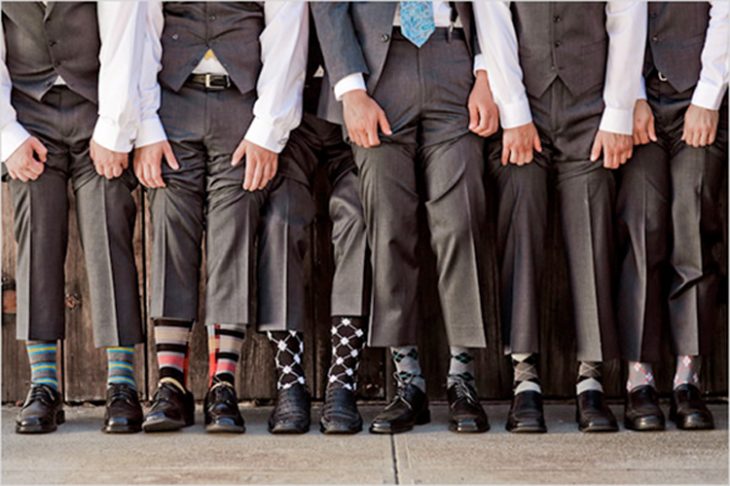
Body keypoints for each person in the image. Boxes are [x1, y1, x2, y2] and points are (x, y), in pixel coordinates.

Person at [312, 1, 499, 434]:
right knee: (389, 224)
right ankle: (408, 381)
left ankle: (462, 379)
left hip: (454, 56)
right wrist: (350, 90)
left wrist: (487, 74)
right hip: (377, 70)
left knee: (460, 220)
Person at [133, 1, 308, 433]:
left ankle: (222, 381)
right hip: (173, 105)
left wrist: (268, 130)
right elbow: (140, 33)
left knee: (234, 233)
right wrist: (145, 126)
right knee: (171, 225)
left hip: (241, 107)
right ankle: (171, 381)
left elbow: (287, 36)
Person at [474, 1, 646, 433]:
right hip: (523, 103)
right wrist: (513, 112)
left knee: (593, 232)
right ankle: (523, 378)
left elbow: (626, 18)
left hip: (591, 108)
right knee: (521, 227)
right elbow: (493, 20)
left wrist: (617, 113)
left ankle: (591, 380)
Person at [1, 1, 146, 434]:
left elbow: (124, 40)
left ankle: (122, 381)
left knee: (109, 231)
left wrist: (115, 128)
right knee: (37, 237)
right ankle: (43, 383)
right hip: (28, 114)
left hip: (97, 107)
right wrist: (8, 137)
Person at [256, 17, 371, 434]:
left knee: (358, 214)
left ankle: (343, 378)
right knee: (280, 218)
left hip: (359, 106)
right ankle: (290, 378)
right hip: (291, 112)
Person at [618, 1, 728, 432]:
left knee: (693, 226)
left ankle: (688, 378)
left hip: (697, 98)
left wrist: (708, 97)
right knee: (641, 231)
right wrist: (631, 97)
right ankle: (638, 378)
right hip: (635, 103)